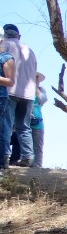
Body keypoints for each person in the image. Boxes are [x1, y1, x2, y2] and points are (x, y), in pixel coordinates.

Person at [3, 24, 38, 167]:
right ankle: (28, 157)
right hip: (28, 93)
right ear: (18, 36)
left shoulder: (4, 47)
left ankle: (4, 156)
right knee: (24, 126)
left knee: (5, 125)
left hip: (9, 91)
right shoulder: (30, 50)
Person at [0, 39, 15, 169]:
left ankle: (3, 163)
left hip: (1, 97)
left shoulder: (6, 58)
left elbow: (10, 81)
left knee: (2, 129)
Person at [30, 73, 48, 168]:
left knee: (38, 146)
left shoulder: (41, 90)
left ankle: (37, 167)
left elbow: (43, 100)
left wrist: (36, 89)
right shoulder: (23, 89)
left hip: (38, 122)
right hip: (24, 121)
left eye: (36, 79)